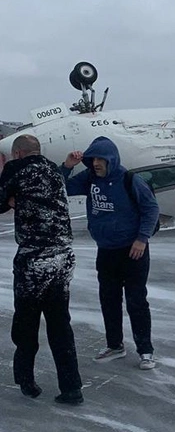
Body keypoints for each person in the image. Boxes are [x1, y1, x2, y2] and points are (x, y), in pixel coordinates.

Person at [61, 136, 160, 369]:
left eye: (100, 159)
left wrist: (141, 239)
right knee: (109, 300)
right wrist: (67, 166)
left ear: (111, 159)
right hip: (106, 250)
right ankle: (115, 345)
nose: (96, 163)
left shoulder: (130, 180)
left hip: (133, 251)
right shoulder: (89, 178)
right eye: (93, 159)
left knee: (136, 301)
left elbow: (151, 209)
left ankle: (145, 350)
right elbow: (61, 188)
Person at [0, 135, 84, 404]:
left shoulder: (16, 169)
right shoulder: (53, 171)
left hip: (34, 259)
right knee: (60, 325)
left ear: (18, 153)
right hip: (62, 257)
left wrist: (10, 200)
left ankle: (26, 380)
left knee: (26, 323)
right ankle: (72, 388)